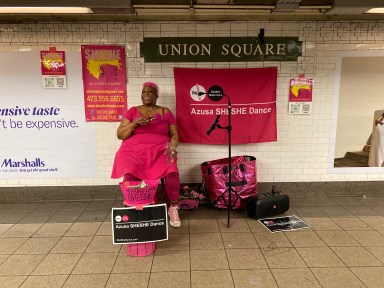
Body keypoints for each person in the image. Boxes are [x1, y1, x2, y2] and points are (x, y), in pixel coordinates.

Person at [111, 82, 181, 227]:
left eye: (150, 92)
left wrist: (172, 148)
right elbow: (120, 135)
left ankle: (173, 207)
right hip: (133, 151)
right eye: (144, 92)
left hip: (161, 150)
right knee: (130, 174)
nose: (146, 94)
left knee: (172, 172)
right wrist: (134, 123)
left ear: (156, 95)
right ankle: (134, 207)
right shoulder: (132, 111)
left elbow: (174, 135)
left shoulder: (165, 112)